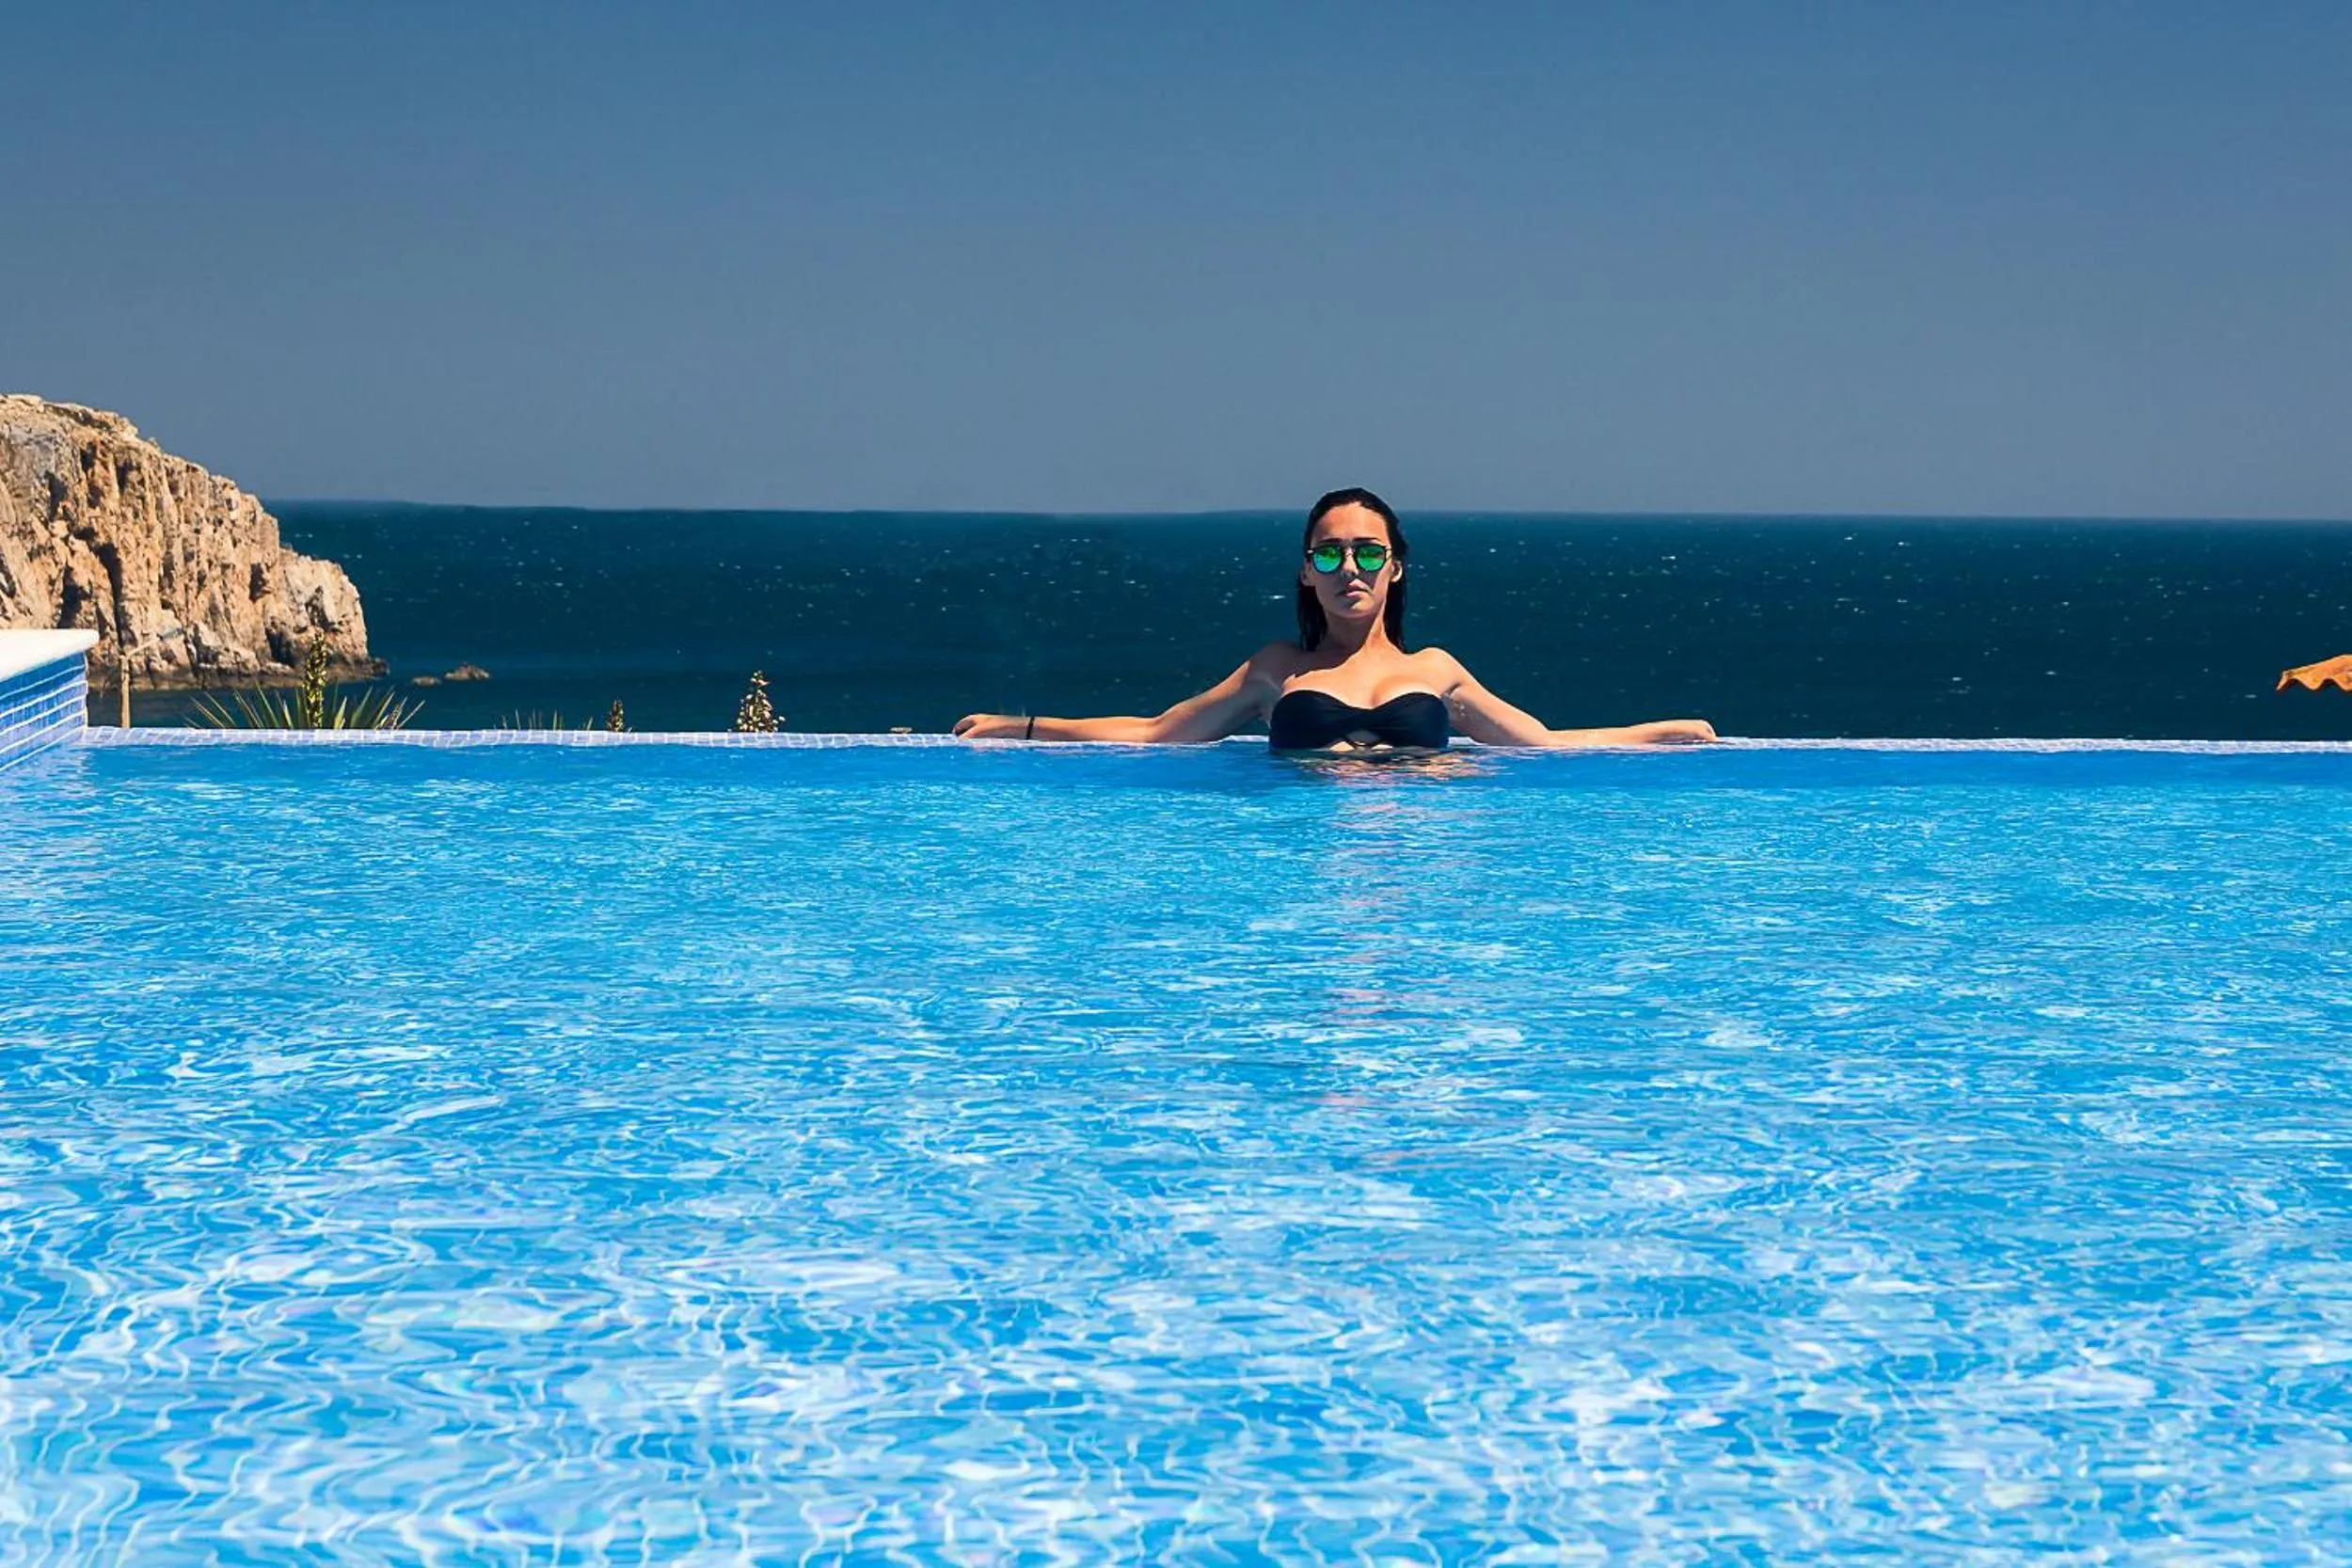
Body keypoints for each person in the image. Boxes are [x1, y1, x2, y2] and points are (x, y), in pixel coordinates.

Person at [952, 487, 1718, 751]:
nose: (1347, 569)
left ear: (1396, 566)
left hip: (1412, 866)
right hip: (1301, 860)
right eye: (1328, 556)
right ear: (1304, 571)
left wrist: (1654, 733)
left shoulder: (1436, 671)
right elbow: (1158, 733)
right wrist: (1023, 726)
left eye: (1365, 553)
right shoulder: (1276, 670)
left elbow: (1543, 743)